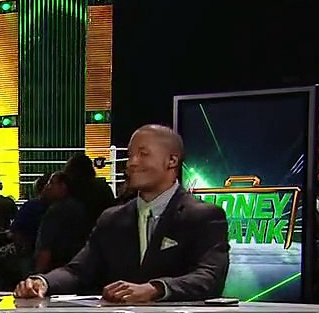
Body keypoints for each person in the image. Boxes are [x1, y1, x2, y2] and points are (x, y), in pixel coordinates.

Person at [14, 125, 229, 303]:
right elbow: (78, 271)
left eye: (143, 154)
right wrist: (43, 282)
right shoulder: (112, 219)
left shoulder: (204, 217)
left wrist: (155, 289)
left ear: (172, 161)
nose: (131, 163)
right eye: (130, 155)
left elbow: (209, 277)